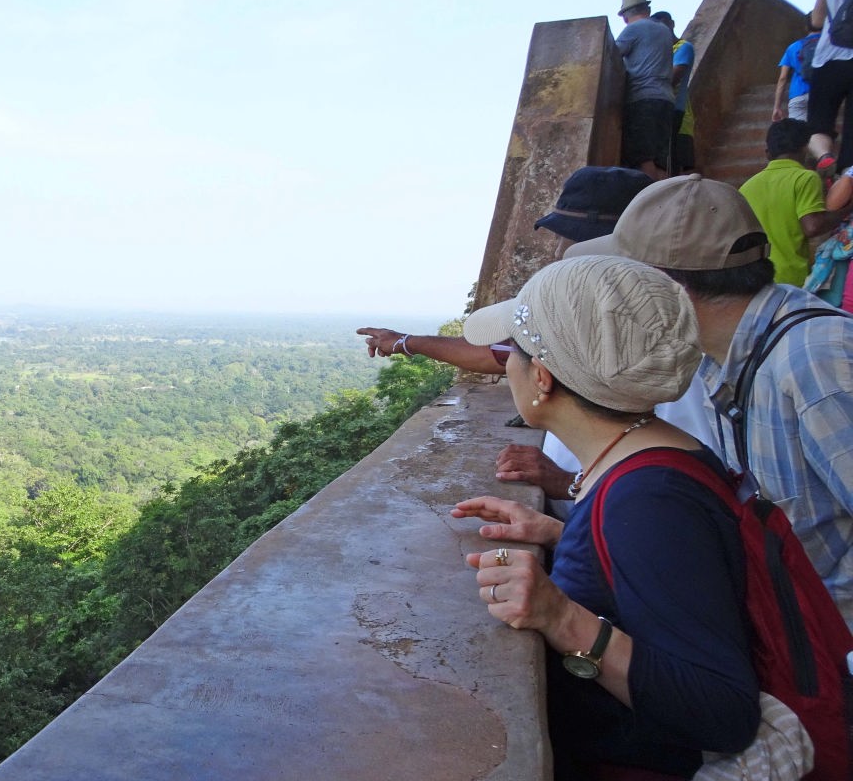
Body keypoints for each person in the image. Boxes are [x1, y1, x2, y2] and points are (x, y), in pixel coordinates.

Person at [453, 254, 792, 781]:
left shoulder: (648, 497)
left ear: (544, 379)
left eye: (513, 354)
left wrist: (561, 616)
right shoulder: (651, 458)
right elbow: (667, 582)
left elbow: (722, 709)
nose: (507, 368)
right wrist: (563, 534)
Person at [567, 173, 853, 626]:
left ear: (669, 291)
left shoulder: (815, 360)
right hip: (794, 631)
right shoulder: (719, 355)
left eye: (622, 285)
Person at [357, 166, 715, 506]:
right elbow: (500, 351)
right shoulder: (617, 327)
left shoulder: (660, 351)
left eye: (573, 243)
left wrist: (570, 483)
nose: (559, 253)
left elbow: (666, 486)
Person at [739, 117, 849, 285]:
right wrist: (847, 210)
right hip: (791, 278)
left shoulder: (746, 188)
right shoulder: (805, 178)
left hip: (755, 278)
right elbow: (813, 226)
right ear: (805, 148)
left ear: (767, 152)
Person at [615, 0, 674, 180]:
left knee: (642, 158)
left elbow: (612, 55)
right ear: (647, 9)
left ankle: (648, 195)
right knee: (660, 160)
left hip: (643, 98)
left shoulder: (633, 29)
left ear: (625, 17)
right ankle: (663, 196)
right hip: (666, 99)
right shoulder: (664, 30)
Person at [808, 0, 853, 177]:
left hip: (829, 57)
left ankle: (824, 156)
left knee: (819, 122)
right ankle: (848, 175)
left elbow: (816, 20)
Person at [652, 11, 695, 174]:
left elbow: (673, 78)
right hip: (665, 110)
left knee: (678, 163)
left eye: (664, 25)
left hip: (679, 112)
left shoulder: (683, 47)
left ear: (672, 24)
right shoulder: (660, 51)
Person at [774, 28, 821, 123]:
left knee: (797, 131)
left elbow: (783, 78)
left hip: (798, 94)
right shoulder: (829, 44)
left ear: (806, 27)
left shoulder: (793, 47)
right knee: (821, 130)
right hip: (821, 93)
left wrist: (777, 107)